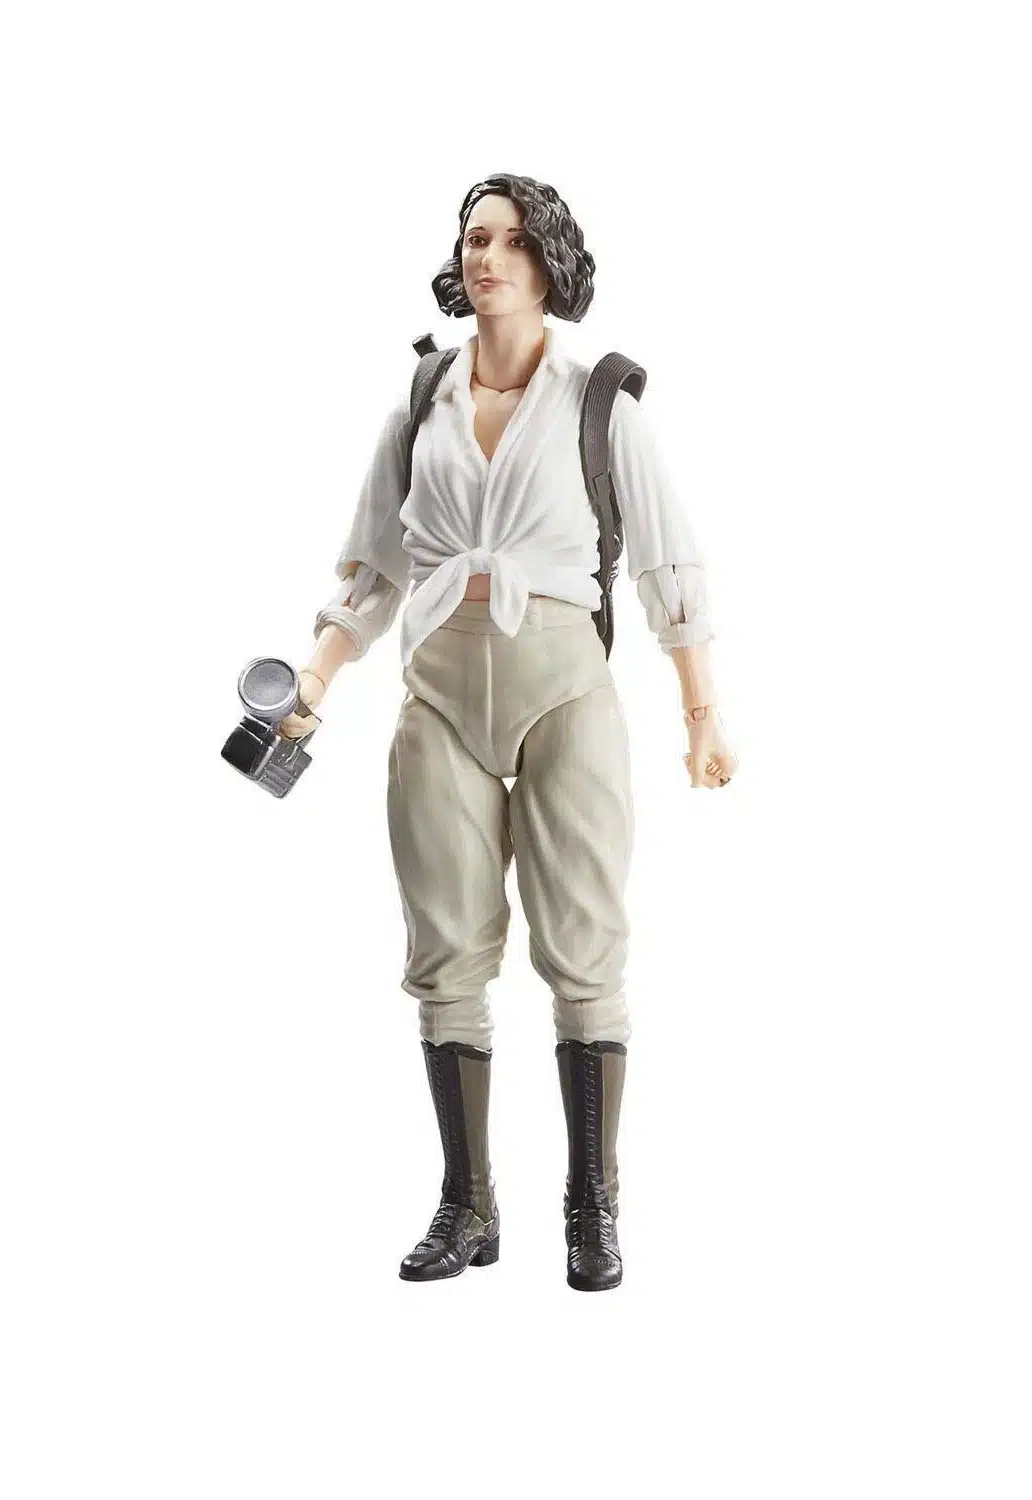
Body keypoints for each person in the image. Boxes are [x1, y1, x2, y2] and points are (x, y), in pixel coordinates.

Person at [280, 173, 737, 1291]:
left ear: (549, 262)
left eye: (513, 241)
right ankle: (467, 1202)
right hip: (439, 691)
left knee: (584, 943)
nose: (487, 257)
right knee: (445, 950)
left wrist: (701, 710)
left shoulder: (600, 402)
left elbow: (667, 560)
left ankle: (592, 1206)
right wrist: (315, 680)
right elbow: (372, 566)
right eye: (474, 238)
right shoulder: (421, 401)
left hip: (563, 687)